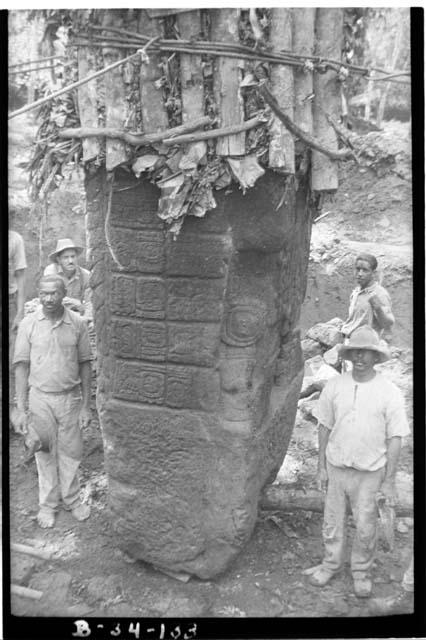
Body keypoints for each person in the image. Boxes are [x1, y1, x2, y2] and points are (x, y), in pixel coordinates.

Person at [308, 326, 410, 598]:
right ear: (349, 355)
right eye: (356, 352)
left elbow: (396, 437)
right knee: (332, 522)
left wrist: (389, 481)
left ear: (376, 357)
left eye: (367, 352)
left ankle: (361, 572)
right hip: (336, 467)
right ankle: (330, 564)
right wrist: (320, 467)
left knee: (366, 526)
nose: (361, 357)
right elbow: (324, 426)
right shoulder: (335, 385)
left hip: (369, 473)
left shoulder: (389, 392)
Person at [13, 275, 92, 528]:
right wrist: (21, 408)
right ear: (39, 294)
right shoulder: (28, 324)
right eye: (44, 293)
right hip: (40, 399)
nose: (48, 298)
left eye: (54, 293)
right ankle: (47, 505)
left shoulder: (77, 324)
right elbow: (21, 366)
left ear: (63, 293)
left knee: (71, 452)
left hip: (70, 398)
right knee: (43, 452)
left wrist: (86, 406)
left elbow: (85, 366)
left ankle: (72, 499)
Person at [341, 253, 394, 342]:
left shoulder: (380, 294)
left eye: (365, 270)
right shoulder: (356, 292)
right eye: (358, 269)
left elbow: (387, 324)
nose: (360, 274)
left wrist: (378, 309)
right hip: (349, 341)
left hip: (366, 345)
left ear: (373, 273)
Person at [44, 238, 91, 317]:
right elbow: (47, 298)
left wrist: (80, 306)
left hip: (77, 315)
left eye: (73, 257)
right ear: (59, 260)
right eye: (66, 257)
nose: (70, 261)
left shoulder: (86, 276)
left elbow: (90, 304)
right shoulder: (51, 272)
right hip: (55, 313)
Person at [9, 229, 27, 404]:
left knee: (12, 357)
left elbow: (21, 276)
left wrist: (20, 313)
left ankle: (11, 407)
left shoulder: (14, 239)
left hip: (9, 303)